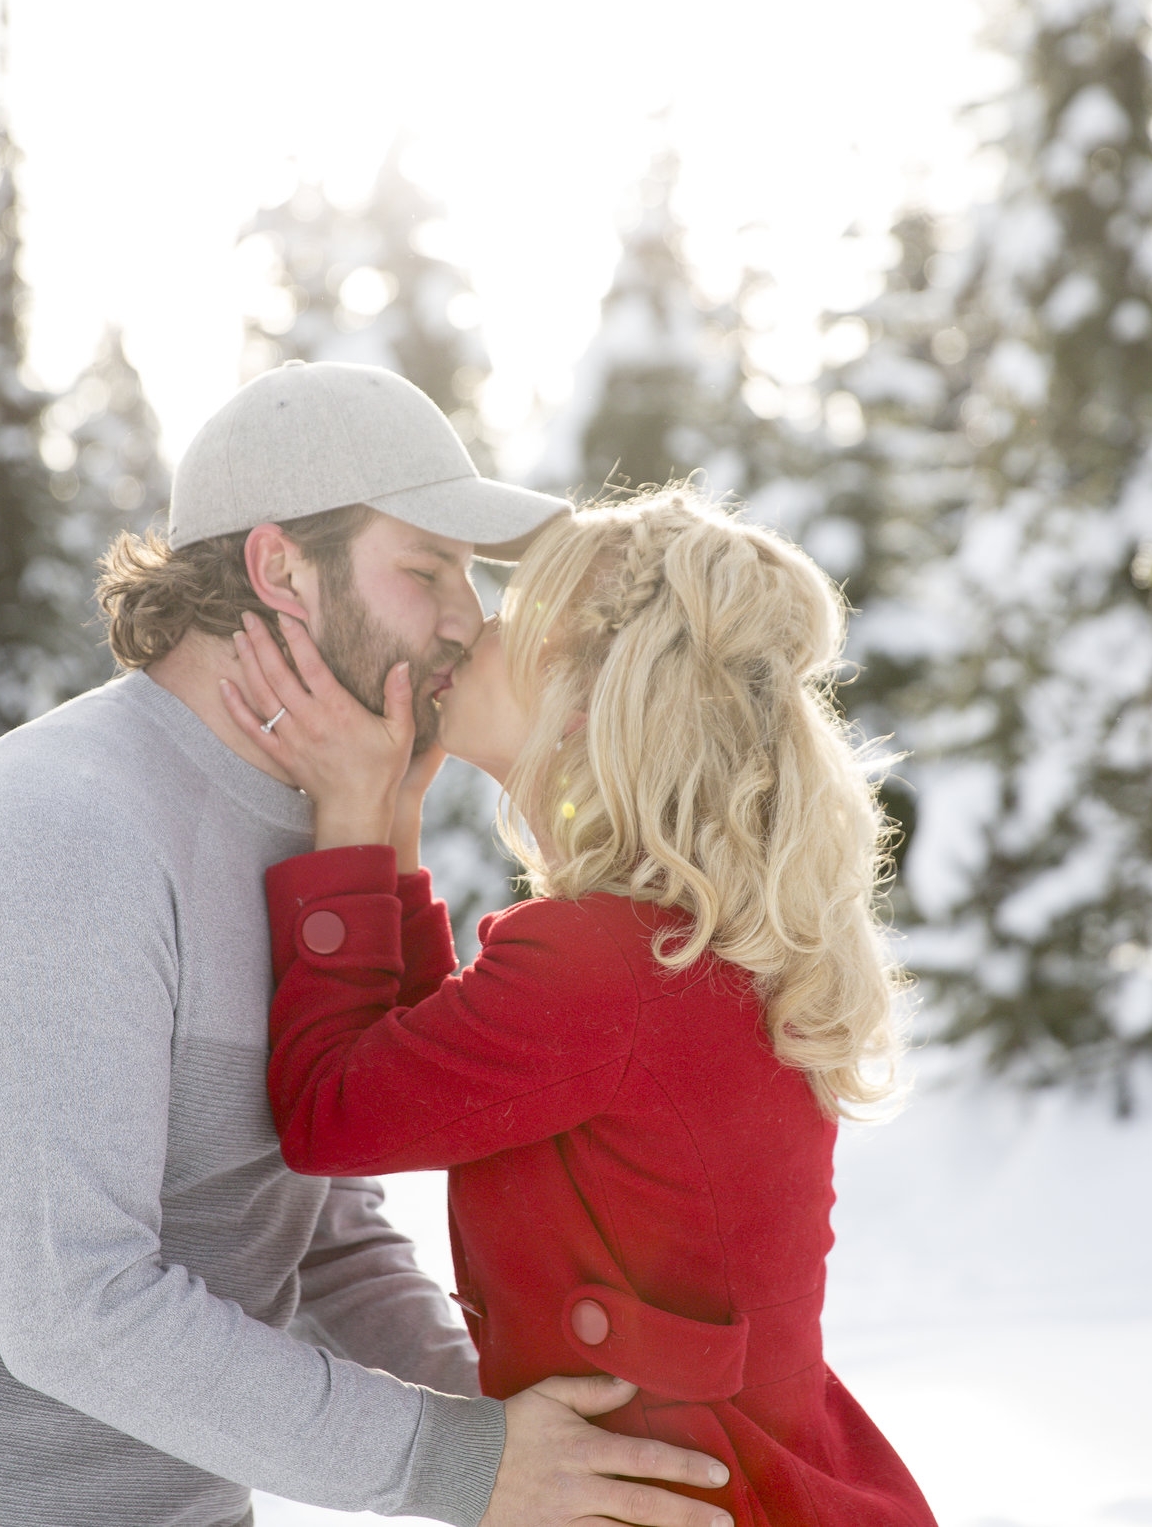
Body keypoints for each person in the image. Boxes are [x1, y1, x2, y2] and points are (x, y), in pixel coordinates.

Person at [0, 363, 733, 1527]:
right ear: (280, 567)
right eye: (426, 570)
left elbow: (316, 1235)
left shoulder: (314, 820)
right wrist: (463, 1460)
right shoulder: (65, 825)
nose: (470, 619)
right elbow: (74, 1302)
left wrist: (540, 1435)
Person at [222, 488, 939, 1527]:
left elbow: (336, 1108)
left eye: (511, 613)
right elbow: (439, 1078)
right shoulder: (676, 936)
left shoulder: (598, 960)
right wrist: (394, 817)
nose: (468, 625)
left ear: (586, 693)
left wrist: (348, 818)